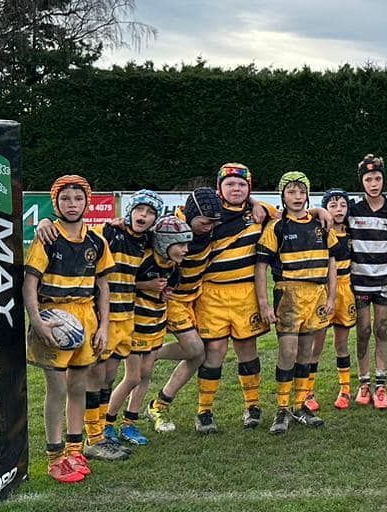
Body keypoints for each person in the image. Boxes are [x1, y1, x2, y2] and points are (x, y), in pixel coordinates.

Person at [23, 175, 111, 484]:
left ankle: (75, 449)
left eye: (77, 198)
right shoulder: (46, 238)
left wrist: (104, 326)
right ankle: (54, 457)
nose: (71, 204)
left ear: (87, 202)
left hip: (86, 317)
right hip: (54, 317)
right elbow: (30, 284)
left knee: (78, 386)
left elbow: (103, 286)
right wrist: (37, 321)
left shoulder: (97, 242)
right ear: (55, 202)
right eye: (64, 199)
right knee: (57, 389)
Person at [190, 164, 275, 433]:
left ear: (249, 188)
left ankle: (252, 405)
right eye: (230, 184)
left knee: (247, 349)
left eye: (241, 184)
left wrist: (319, 211)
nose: (236, 189)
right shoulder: (207, 214)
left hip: (245, 294)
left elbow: (293, 214)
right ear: (219, 188)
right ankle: (204, 411)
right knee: (215, 351)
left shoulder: (261, 213)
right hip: (212, 294)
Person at [255, 171, 338, 433]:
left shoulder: (321, 224)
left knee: (305, 352)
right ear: (282, 195)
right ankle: (282, 409)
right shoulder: (276, 227)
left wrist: (332, 296)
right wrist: (264, 304)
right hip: (289, 295)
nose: (297, 196)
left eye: (302, 191)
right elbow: (261, 267)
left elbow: (332, 261)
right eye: (291, 191)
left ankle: (300, 405)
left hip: (316, 295)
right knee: (288, 353)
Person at [112, 215, 193, 445]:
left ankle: (129, 423)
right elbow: (120, 283)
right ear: (164, 243)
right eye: (180, 244)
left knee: (146, 374)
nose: (185, 250)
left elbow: (169, 288)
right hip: (135, 325)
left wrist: (165, 293)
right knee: (132, 377)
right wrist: (145, 285)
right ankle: (106, 424)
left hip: (155, 326)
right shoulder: (143, 260)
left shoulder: (174, 267)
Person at [147, 187, 221, 432]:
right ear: (190, 215)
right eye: (205, 222)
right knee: (195, 349)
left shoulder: (211, 226)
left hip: (196, 298)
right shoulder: (169, 227)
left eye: (213, 223)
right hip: (173, 299)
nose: (209, 227)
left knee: (199, 355)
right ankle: (147, 353)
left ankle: (159, 404)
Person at [95, 190, 163, 453]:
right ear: (130, 211)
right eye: (139, 210)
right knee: (101, 377)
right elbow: (80, 236)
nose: (143, 215)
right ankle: (98, 430)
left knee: (114, 376)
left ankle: (107, 426)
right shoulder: (111, 232)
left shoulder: (148, 241)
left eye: (150, 213)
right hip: (104, 315)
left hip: (127, 316)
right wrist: (46, 222)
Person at [347, 154, 387, 409]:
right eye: (368, 179)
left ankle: (381, 385)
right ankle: (364, 383)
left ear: (383, 180)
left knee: (381, 329)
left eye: (377, 179)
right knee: (363, 331)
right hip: (358, 281)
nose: (373, 184)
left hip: (383, 281)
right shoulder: (352, 210)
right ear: (362, 182)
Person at [323, 188, 359, 410]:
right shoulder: (320, 231)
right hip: (324, 291)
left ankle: (345, 389)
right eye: (333, 205)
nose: (339, 210)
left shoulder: (352, 231)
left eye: (343, 205)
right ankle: (307, 391)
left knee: (341, 343)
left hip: (346, 291)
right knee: (315, 344)